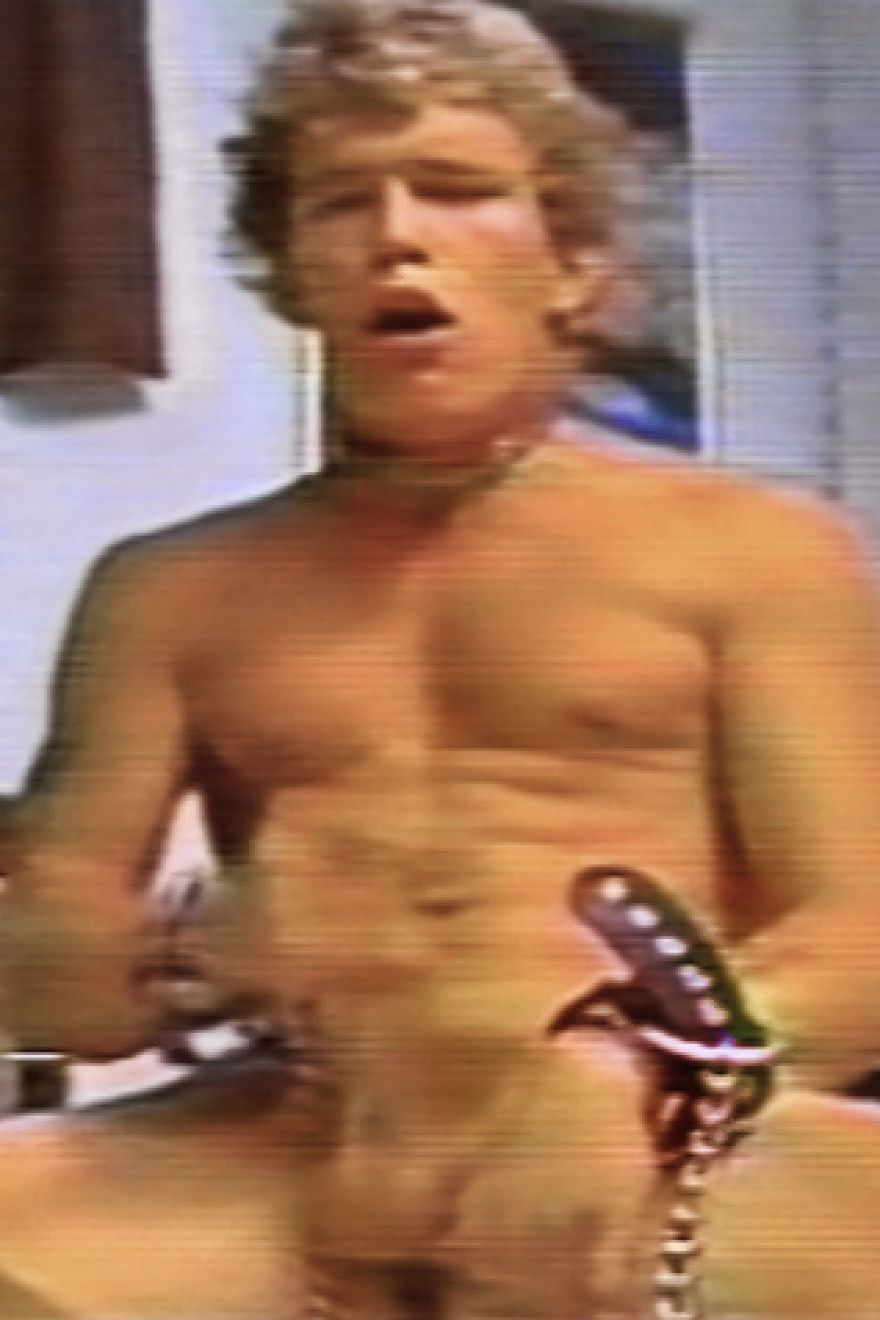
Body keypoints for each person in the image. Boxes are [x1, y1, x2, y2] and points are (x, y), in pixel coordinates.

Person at [2, 1, 880, 1315]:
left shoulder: (753, 552)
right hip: (301, 1155)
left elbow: (860, 939)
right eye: (340, 202)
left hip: (666, 1144)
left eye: (458, 190)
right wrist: (190, 953)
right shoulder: (170, 590)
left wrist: (639, 1064)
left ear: (572, 265)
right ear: (291, 274)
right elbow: (51, 987)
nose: (397, 235)